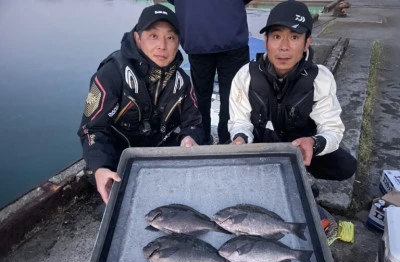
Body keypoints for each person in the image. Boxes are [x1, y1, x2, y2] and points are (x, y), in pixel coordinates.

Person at [77, 4, 204, 203]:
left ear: (178, 42)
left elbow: (194, 123)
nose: (162, 45)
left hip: (158, 153)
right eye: (153, 36)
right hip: (119, 162)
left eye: (170, 37)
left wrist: (190, 138)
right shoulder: (111, 74)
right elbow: (92, 129)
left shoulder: (182, 81)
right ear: (137, 38)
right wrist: (100, 167)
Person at [228, 0, 357, 181]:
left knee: (345, 166)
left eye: (294, 37)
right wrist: (240, 137)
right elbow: (239, 121)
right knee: (228, 151)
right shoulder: (246, 75)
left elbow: (332, 128)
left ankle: (303, 175)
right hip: (260, 144)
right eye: (276, 36)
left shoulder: (320, 78)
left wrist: (313, 144)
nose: (284, 47)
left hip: (300, 146)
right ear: (266, 41)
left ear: (307, 43)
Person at [167, 0, 252, 144]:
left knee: (200, 97)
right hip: (231, 33)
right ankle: (230, 141)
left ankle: (201, 138)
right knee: (234, 96)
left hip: (196, 35)